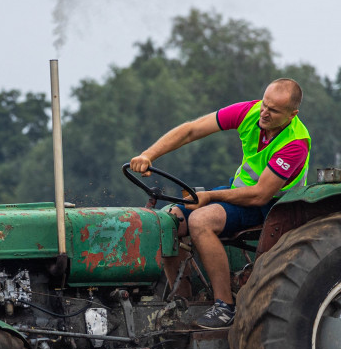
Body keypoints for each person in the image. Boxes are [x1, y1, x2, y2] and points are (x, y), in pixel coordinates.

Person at [129, 78, 311, 328]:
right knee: (170, 219)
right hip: (239, 193)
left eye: (274, 110)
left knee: (201, 220)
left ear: (293, 114)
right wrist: (148, 155)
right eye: (264, 104)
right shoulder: (250, 111)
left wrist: (210, 197)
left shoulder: (296, 144)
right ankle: (182, 302)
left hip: (272, 208)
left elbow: (260, 194)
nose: (264, 113)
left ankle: (224, 306)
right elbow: (192, 130)